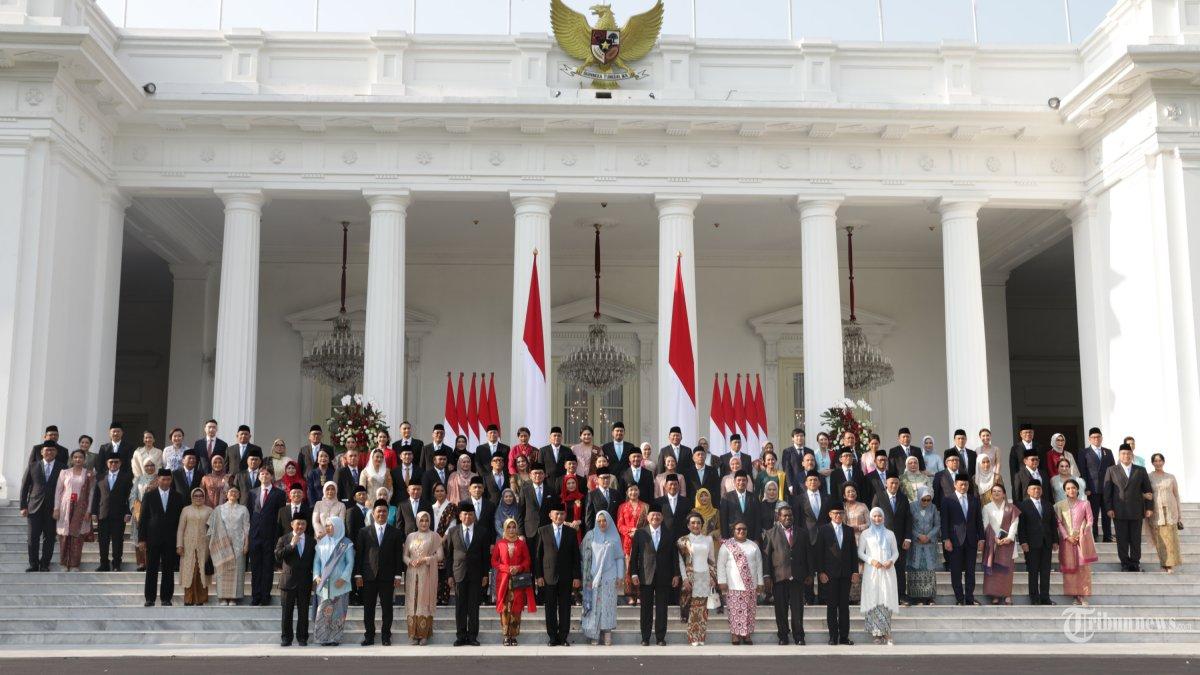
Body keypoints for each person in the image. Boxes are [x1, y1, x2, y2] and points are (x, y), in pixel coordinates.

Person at [355, 499, 404, 645]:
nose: (381, 514)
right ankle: (369, 636)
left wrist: (398, 575)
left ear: (388, 513)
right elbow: (359, 554)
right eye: (379, 511)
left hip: (388, 576)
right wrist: (358, 574)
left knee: (387, 608)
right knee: (368, 608)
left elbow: (398, 555)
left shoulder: (395, 532)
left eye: (384, 511)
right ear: (373, 513)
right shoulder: (364, 532)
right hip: (368, 575)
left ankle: (386, 636)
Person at [629, 508, 679, 646]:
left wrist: (676, 574)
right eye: (653, 515)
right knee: (646, 608)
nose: (655, 517)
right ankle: (645, 637)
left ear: (662, 517)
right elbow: (634, 555)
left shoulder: (669, 533)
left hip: (664, 575)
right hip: (646, 574)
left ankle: (660, 637)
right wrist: (634, 573)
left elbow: (674, 556)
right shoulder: (640, 533)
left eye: (658, 515)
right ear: (648, 517)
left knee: (662, 608)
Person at [535, 507, 582, 646]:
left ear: (565, 515)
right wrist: (539, 576)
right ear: (550, 515)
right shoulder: (543, 531)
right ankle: (552, 637)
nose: (559, 516)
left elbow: (576, 556)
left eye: (562, 514)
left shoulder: (571, 532)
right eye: (557, 514)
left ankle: (563, 637)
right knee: (550, 608)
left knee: (565, 607)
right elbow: (538, 556)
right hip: (548, 576)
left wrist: (577, 576)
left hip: (566, 576)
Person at [1104, 444, 1154, 572]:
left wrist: (1149, 508)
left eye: (1128, 453)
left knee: (1136, 539)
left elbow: (1148, 490)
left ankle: (1135, 563)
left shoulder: (1140, 470)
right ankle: (1125, 563)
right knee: (1122, 539)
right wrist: (1109, 508)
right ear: (1119, 455)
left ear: (1132, 455)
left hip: (1136, 509)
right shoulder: (1112, 470)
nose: (1126, 456)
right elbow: (1107, 491)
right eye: (1123, 453)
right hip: (1119, 510)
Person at [444, 502, 489, 646]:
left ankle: (472, 636)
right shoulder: (453, 531)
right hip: (459, 573)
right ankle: (461, 636)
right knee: (460, 606)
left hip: (476, 574)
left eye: (470, 514)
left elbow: (485, 556)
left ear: (474, 516)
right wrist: (449, 575)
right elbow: (448, 556)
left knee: (473, 606)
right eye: (465, 514)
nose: (468, 517)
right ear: (460, 516)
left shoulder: (482, 531)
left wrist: (485, 575)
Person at [139, 468, 186, 606]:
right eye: (163, 479)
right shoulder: (149, 495)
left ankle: (166, 598)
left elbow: (180, 520)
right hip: (152, 538)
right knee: (151, 569)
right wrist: (142, 539)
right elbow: (143, 518)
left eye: (168, 479)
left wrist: (180, 541)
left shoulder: (178, 496)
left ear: (171, 480)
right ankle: (150, 598)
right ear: (158, 480)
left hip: (170, 539)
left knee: (168, 569)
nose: (166, 482)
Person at [815, 505, 858, 645]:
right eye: (835, 513)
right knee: (832, 606)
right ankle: (833, 636)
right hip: (829, 574)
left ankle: (844, 637)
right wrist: (821, 572)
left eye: (841, 513)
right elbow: (819, 552)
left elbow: (853, 552)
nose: (838, 515)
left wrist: (855, 571)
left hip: (846, 574)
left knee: (844, 607)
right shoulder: (823, 530)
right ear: (830, 514)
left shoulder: (849, 530)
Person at [580, 509, 623, 645]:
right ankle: (594, 634)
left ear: (608, 521)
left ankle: (607, 632)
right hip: (592, 578)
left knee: (607, 606)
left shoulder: (614, 537)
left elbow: (619, 557)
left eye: (604, 521)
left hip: (610, 577)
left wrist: (620, 576)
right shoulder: (590, 536)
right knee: (594, 607)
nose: (602, 523)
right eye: (599, 521)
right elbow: (583, 555)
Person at [717, 520, 764, 645]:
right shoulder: (727, 546)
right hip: (733, 585)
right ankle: (735, 635)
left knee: (749, 611)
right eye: (738, 529)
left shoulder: (753, 546)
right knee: (734, 611)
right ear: (733, 531)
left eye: (744, 529)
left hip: (751, 585)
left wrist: (760, 582)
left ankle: (747, 635)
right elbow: (721, 564)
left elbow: (759, 565)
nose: (741, 531)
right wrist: (722, 581)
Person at [858, 506, 899, 645]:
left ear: (883, 517)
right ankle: (876, 634)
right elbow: (860, 552)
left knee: (886, 600)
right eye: (874, 516)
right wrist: (871, 561)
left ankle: (886, 633)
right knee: (873, 600)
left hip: (887, 571)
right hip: (872, 572)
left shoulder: (890, 534)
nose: (877, 519)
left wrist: (891, 561)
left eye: (879, 516)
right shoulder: (866, 534)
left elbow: (896, 552)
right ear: (871, 518)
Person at [22, 442, 65, 572]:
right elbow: (25, 487)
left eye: (52, 450)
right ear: (41, 452)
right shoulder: (33, 466)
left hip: (53, 509)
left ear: (56, 452)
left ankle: (45, 564)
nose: (49, 452)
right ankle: (33, 564)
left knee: (50, 538)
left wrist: (60, 508)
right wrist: (23, 506)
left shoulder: (63, 468)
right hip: (34, 507)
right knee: (32, 538)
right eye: (47, 450)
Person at [313, 515, 355, 646]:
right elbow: (317, 562)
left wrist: (344, 578)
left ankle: (335, 638)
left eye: (330, 525)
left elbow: (350, 562)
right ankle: (322, 638)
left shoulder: (346, 543)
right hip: (324, 584)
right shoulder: (321, 543)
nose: (327, 528)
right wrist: (316, 576)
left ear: (338, 526)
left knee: (338, 612)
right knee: (323, 612)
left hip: (340, 585)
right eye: (326, 526)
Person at [493, 517, 536, 646]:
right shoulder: (500, 543)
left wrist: (519, 568)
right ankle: (506, 636)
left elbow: (527, 560)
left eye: (513, 527)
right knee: (505, 608)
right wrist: (506, 568)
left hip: (518, 581)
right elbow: (494, 561)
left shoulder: (521, 544)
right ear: (505, 529)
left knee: (516, 608)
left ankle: (514, 635)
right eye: (509, 527)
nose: (511, 530)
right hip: (503, 581)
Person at [677, 511, 717, 646]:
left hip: (705, 576)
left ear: (702, 525)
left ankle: (701, 636)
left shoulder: (708, 539)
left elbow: (712, 560)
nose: (696, 525)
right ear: (688, 525)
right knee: (692, 609)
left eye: (698, 523)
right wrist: (685, 579)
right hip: (691, 577)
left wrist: (713, 577)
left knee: (703, 609)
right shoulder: (682, 540)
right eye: (693, 523)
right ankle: (693, 637)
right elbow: (680, 562)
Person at [942, 474, 983, 605]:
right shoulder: (948, 500)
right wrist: (946, 539)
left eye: (966, 484)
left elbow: (979, 520)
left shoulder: (974, 500)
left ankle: (969, 598)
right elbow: (944, 521)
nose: (964, 487)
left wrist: (981, 538)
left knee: (970, 571)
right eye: (961, 484)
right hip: (955, 540)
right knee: (956, 571)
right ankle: (959, 598)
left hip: (971, 540)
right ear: (955, 485)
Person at [404, 511, 444, 645]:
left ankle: (424, 635)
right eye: (421, 520)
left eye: (426, 520)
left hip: (427, 573)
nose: (424, 523)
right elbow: (405, 555)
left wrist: (425, 559)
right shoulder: (410, 536)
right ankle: (413, 634)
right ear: (417, 521)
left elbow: (440, 556)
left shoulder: (434, 536)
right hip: (412, 573)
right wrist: (410, 561)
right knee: (412, 601)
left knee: (424, 602)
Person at [276, 513, 315, 646]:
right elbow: (278, 556)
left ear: (306, 526)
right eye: (298, 523)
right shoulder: (284, 539)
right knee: (287, 612)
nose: (300, 526)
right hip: (288, 581)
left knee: (303, 612)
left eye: (303, 524)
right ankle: (286, 638)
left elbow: (314, 561)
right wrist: (291, 545)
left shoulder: (311, 541)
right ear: (292, 524)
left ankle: (302, 638)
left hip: (305, 581)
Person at [871, 471, 911, 605]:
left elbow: (908, 519)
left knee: (899, 569)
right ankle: (883, 597)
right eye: (891, 483)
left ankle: (901, 595)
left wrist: (908, 538)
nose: (894, 485)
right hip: (882, 540)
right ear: (886, 483)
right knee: (883, 569)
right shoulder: (878, 496)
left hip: (900, 541)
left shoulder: (903, 498)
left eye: (896, 483)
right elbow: (873, 518)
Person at [1057, 478, 1098, 605]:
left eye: (1073, 488)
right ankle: (1074, 595)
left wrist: (1084, 530)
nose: (1071, 490)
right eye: (1068, 488)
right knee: (1070, 568)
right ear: (1065, 491)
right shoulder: (1060, 505)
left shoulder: (1085, 503)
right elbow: (1058, 523)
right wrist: (1067, 536)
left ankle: (1082, 595)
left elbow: (1090, 520)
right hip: (1066, 541)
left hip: (1081, 540)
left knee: (1082, 568)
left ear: (1078, 489)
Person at [248, 466, 286, 606]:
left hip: (270, 536)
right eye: (262, 474)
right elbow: (249, 513)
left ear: (272, 476)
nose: (264, 476)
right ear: (259, 477)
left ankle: (265, 596)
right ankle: (255, 596)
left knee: (268, 567)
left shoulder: (279, 494)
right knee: (256, 568)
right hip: (255, 535)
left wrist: (278, 537)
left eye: (267, 474)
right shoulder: (252, 493)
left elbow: (280, 516)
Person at [53, 448, 94, 571]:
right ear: (71, 459)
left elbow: (91, 493)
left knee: (78, 537)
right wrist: (56, 508)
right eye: (75, 457)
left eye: (80, 457)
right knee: (64, 536)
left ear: (84, 459)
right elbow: (58, 491)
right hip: (65, 507)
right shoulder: (64, 472)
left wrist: (89, 511)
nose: (78, 459)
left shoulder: (88, 474)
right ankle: (64, 563)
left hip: (81, 508)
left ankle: (75, 564)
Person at [1017, 480, 1057, 605]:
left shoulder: (1048, 504)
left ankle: (1045, 597)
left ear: (1042, 491)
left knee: (1045, 571)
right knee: (1033, 571)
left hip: (1046, 542)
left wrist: (1055, 541)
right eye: (1033, 489)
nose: (1036, 491)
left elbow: (1053, 524)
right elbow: (1021, 526)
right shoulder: (1023, 505)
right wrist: (1023, 542)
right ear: (1028, 491)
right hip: (1031, 543)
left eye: (1038, 489)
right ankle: (1034, 597)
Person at [208, 486, 250, 605]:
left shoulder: (243, 509)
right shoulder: (219, 509)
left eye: (236, 492)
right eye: (231, 492)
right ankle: (222, 597)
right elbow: (212, 527)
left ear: (239, 495)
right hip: (222, 544)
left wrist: (246, 544)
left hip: (238, 544)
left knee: (237, 571)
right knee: (222, 571)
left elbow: (246, 528)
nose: (233, 494)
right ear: (226, 494)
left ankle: (233, 598)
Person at [980, 484, 1019, 605]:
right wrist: (994, 538)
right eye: (994, 491)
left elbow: (1014, 523)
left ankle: (1007, 595)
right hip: (993, 544)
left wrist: (1009, 537)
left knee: (1007, 572)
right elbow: (985, 525)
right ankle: (995, 595)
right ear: (991, 494)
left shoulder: (1011, 507)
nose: (996, 493)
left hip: (1008, 543)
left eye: (999, 491)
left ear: (1004, 494)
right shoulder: (987, 507)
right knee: (994, 572)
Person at [92, 455, 132, 571]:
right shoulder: (100, 476)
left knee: (118, 540)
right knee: (103, 541)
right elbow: (96, 496)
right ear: (107, 463)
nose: (113, 464)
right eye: (111, 462)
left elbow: (129, 496)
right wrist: (94, 512)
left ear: (120, 463)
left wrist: (128, 512)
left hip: (119, 514)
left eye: (116, 462)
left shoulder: (126, 477)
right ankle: (104, 564)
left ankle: (116, 564)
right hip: (103, 513)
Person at [1077, 427, 1115, 542]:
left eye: (1098, 437)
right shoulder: (1084, 452)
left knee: (1106, 513)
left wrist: (1112, 487)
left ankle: (1107, 536)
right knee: (1092, 514)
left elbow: (1112, 469)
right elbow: (1082, 471)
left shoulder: (1108, 452)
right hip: (1092, 489)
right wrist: (1086, 487)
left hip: (1106, 488)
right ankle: (1093, 535)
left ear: (1101, 438)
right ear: (1089, 439)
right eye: (1093, 437)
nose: (1096, 439)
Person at [1147, 453, 1183, 573]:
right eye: (1155, 461)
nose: (1158, 463)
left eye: (1160, 460)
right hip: (1157, 513)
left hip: (1171, 511)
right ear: (1152, 463)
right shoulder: (1149, 477)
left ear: (1163, 462)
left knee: (1171, 539)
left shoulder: (1171, 477)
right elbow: (1145, 492)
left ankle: (1170, 565)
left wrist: (1179, 513)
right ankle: (1165, 564)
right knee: (1160, 539)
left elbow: (1176, 495)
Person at [176, 487, 212, 605]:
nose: (198, 498)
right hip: (188, 545)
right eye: (196, 496)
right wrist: (179, 545)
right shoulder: (186, 510)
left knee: (201, 572)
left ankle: (200, 599)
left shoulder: (209, 510)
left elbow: (213, 529)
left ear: (204, 497)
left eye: (201, 496)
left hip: (204, 545)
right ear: (192, 497)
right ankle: (189, 599)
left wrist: (212, 545)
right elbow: (181, 529)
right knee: (189, 572)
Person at [907, 486, 940, 605]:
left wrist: (928, 536)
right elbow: (908, 525)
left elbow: (937, 525)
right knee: (915, 570)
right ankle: (916, 598)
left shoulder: (933, 508)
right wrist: (918, 536)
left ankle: (929, 597)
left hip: (929, 545)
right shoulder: (911, 507)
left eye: (928, 500)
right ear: (919, 497)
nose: (926, 502)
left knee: (929, 570)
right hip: (915, 545)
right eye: (923, 499)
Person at [617, 484, 649, 603]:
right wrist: (630, 531)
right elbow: (620, 525)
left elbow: (649, 524)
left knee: (641, 566)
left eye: (635, 490)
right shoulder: (622, 507)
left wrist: (638, 532)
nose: (633, 492)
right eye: (631, 490)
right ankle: (630, 595)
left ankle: (640, 594)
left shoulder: (645, 507)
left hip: (642, 540)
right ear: (627, 492)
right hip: (628, 540)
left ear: (639, 491)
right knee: (629, 567)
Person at [128, 459, 158, 571]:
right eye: (147, 465)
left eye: (152, 465)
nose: (149, 467)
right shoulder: (139, 479)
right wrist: (136, 511)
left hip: (154, 512)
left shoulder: (159, 479)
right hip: (140, 511)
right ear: (143, 467)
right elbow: (133, 495)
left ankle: (152, 563)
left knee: (153, 538)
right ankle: (141, 563)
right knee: (139, 537)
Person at [432, 485, 459, 605]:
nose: (440, 493)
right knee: (434, 570)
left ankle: (444, 597)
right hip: (432, 542)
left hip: (446, 542)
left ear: (446, 492)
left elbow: (452, 525)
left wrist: (441, 541)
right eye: (437, 491)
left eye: (442, 491)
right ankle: (434, 597)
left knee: (445, 569)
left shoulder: (451, 507)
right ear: (434, 493)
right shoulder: (431, 507)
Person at [720, 469, 758, 541]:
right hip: (732, 536)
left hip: (750, 537)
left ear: (747, 482)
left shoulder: (754, 498)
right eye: (739, 480)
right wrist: (725, 538)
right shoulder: (726, 497)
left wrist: (756, 539)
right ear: (734, 482)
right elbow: (723, 519)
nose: (741, 482)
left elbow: (757, 519)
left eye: (744, 480)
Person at [1009, 423, 1039, 492]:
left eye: (1030, 432)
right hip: (1022, 480)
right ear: (1021, 434)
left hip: (1036, 479)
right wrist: (1015, 484)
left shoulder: (1039, 447)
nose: (1028, 434)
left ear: (1033, 433)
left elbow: (1043, 466)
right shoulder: (1015, 448)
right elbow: (1013, 468)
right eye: (1025, 432)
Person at [560, 474, 586, 541]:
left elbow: (585, 514)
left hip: (578, 529)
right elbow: (557, 514)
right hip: (564, 529)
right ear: (565, 485)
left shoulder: (582, 497)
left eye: (573, 483)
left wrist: (579, 522)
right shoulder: (560, 499)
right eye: (568, 483)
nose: (571, 485)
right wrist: (566, 523)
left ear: (576, 484)